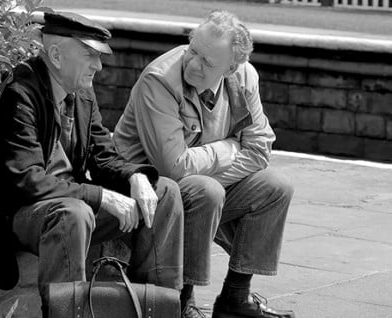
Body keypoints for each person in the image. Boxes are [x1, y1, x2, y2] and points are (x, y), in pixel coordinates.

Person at [0, 10, 185, 315]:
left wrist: (135, 177)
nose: (100, 65)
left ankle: (157, 307)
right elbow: (28, 181)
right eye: (90, 55)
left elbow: (103, 155)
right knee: (74, 214)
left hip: (67, 202)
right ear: (55, 54)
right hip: (17, 212)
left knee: (166, 192)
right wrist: (102, 196)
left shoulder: (82, 92)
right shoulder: (18, 93)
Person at [112, 10, 295, 318]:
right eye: (192, 50)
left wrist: (210, 164)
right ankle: (181, 303)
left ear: (231, 67)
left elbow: (261, 150)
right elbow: (173, 168)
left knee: (276, 186)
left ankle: (235, 299)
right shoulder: (159, 81)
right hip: (149, 190)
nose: (193, 64)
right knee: (205, 190)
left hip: (200, 184)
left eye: (207, 62)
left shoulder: (244, 76)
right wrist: (231, 147)